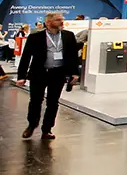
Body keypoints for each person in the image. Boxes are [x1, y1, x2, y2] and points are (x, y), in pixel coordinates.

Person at [16, 12, 82, 140]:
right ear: (48, 22)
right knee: (35, 101)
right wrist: (21, 76)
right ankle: (32, 125)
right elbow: (26, 57)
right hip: (39, 73)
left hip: (58, 73)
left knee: (53, 102)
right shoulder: (36, 37)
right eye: (58, 20)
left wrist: (74, 73)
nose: (62, 22)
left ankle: (47, 129)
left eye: (62, 19)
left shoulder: (68, 35)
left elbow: (73, 55)